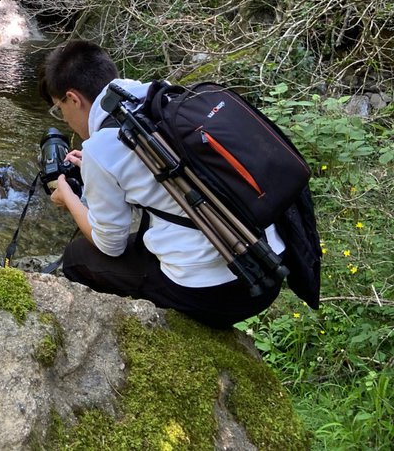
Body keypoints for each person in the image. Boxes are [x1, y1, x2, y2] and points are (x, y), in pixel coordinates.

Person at [38, 39, 284, 328]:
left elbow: (110, 246)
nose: (64, 119)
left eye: (59, 109)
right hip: (270, 262)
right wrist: (94, 169)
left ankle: (121, 335)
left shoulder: (100, 149)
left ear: (73, 98)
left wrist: (68, 197)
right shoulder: (160, 94)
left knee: (76, 258)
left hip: (220, 293)